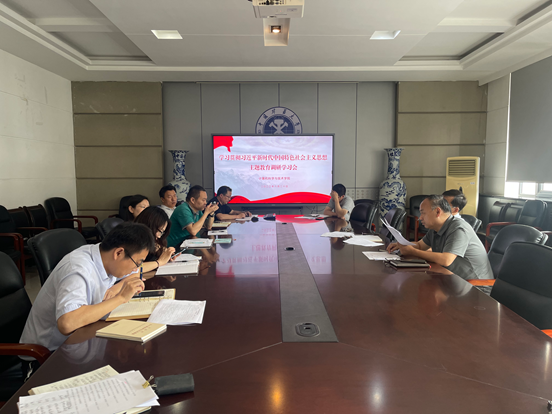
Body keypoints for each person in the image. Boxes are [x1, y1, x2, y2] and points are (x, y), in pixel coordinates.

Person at [20, 222, 154, 352]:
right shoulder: (77, 269)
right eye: (137, 263)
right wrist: (120, 298)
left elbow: (134, 273)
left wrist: (119, 288)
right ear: (118, 253)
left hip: (81, 339)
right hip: (50, 351)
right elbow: (67, 323)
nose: (136, 268)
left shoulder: (103, 257)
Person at [387, 195, 493, 280]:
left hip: (475, 286)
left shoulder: (458, 228)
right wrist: (402, 244)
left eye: (423, 213)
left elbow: (446, 260)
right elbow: (420, 245)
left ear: (438, 212)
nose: (420, 218)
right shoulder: (435, 228)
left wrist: (413, 251)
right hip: (454, 279)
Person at [134, 206, 176, 272]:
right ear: (149, 226)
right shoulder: (132, 242)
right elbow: (133, 269)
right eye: (160, 231)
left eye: (162, 232)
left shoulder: (154, 242)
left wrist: (165, 254)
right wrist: (159, 262)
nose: (159, 236)